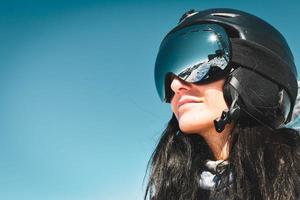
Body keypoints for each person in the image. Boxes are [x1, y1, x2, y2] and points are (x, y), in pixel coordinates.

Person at [145, 8, 300, 200]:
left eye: (201, 69)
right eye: (168, 75)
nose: (176, 85)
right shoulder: (172, 190)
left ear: (254, 74)